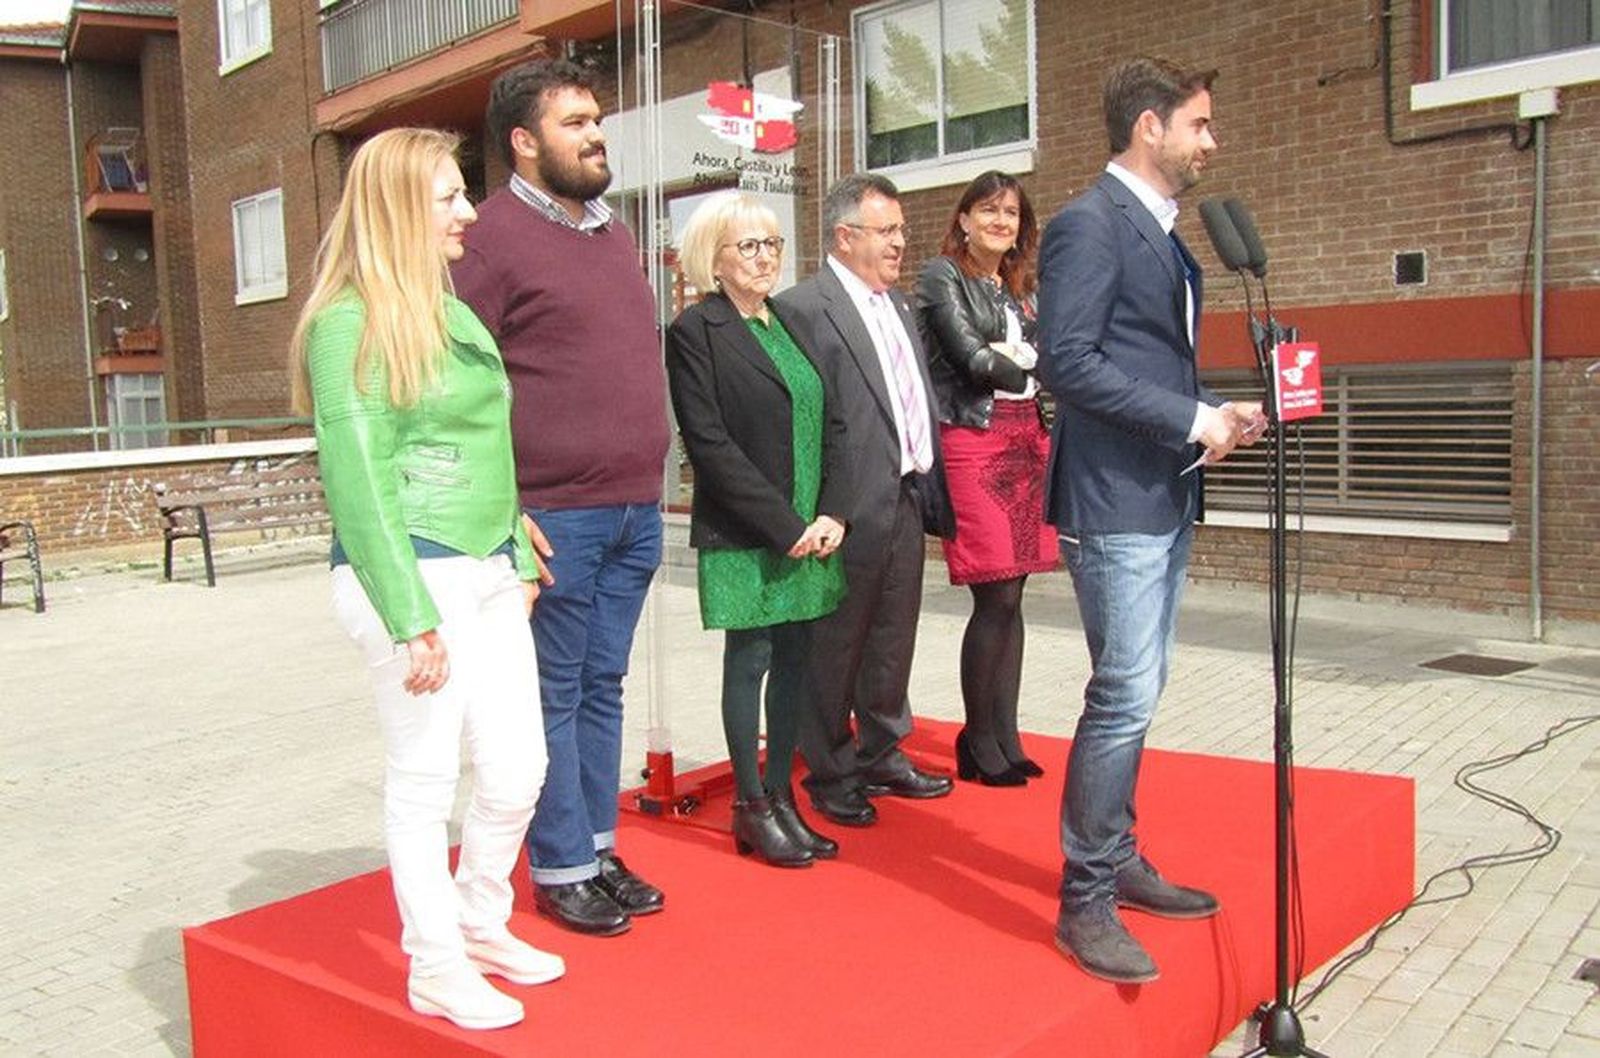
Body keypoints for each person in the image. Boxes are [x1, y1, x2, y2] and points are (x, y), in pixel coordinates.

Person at [290, 127, 564, 1030]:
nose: (466, 212)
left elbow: (490, 446)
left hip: (485, 567)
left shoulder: (450, 310)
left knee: (519, 766)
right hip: (408, 577)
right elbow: (358, 477)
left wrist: (516, 551)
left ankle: (479, 922)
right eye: (447, 196)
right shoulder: (346, 324)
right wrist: (409, 617)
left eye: (463, 194)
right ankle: (434, 964)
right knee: (422, 776)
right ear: (398, 207)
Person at [1037, 57, 1266, 984]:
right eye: (1199, 124)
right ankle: (1085, 896)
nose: (1211, 141)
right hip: (1115, 501)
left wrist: (1213, 411)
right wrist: (1189, 418)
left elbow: (1147, 365)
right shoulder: (1089, 226)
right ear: (1148, 126)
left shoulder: (1166, 236)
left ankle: (1118, 855)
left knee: (1139, 690)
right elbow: (1069, 363)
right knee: (1123, 694)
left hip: (1163, 490)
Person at [452, 60, 670, 937]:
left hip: (633, 510)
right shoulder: (490, 238)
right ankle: (560, 863)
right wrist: (507, 513)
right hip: (555, 520)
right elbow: (460, 391)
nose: (595, 134)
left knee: (604, 685)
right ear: (523, 140)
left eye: (596, 120)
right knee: (556, 692)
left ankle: (598, 844)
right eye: (575, 122)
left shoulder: (611, 232)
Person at [665, 191, 851, 867]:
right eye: (748, 245)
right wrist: (784, 526)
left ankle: (782, 797)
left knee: (798, 662)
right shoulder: (695, 332)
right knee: (753, 660)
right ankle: (750, 806)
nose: (765, 256)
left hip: (814, 528)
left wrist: (833, 512)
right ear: (712, 257)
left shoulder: (789, 321)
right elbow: (709, 446)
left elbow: (833, 421)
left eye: (772, 243)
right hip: (751, 531)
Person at [774, 174, 955, 828]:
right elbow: (802, 422)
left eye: (902, 230)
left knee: (891, 636)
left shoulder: (900, 306)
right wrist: (822, 509)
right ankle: (830, 767)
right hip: (843, 510)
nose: (901, 242)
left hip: (905, 495)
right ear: (844, 237)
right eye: (887, 231)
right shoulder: (802, 307)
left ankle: (882, 749)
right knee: (834, 642)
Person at [915, 171, 1057, 788]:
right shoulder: (941, 276)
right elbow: (966, 353)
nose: (1002, 221)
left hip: (1030, 437)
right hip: (975, 436)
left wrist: (1039, 362)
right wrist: (1023, 362)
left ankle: (1006, 733)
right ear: (965, 219)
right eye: (989, 210)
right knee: (994, 592)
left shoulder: (1023, 290)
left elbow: (1053, 354)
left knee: (1016, 593)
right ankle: (977, 739)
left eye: (1011, 213)